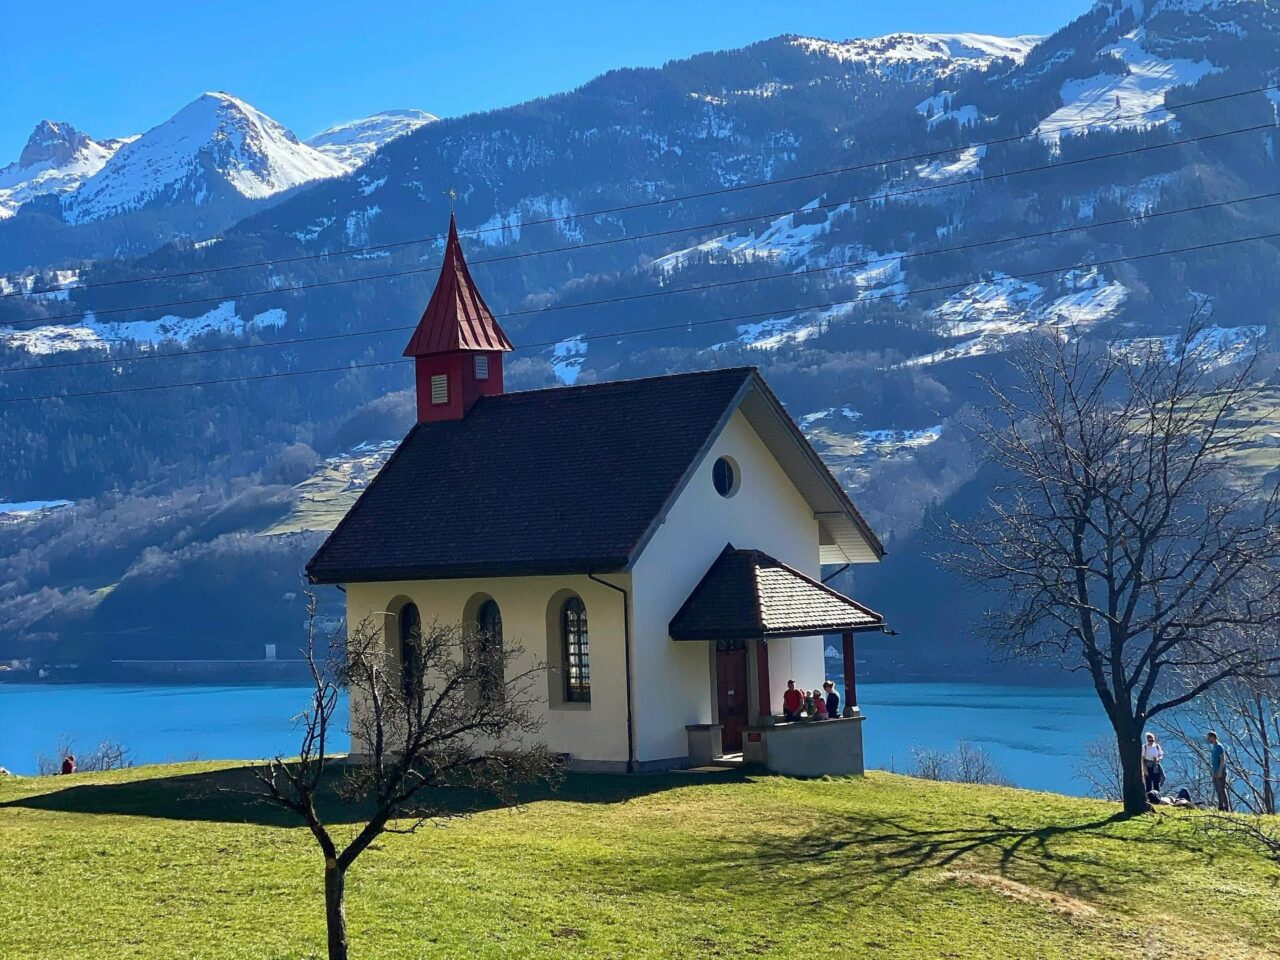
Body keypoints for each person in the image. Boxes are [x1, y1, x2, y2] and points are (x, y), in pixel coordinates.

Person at [1207, 731, 1231, 811]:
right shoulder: (1214, 747)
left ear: (1213, 737)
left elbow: (1222, 759)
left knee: (1222, 789)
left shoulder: (1219, 747)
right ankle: (1220, 806)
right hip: (1215, 771)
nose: (1208, 740)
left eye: (1209, 738)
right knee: (1218, 789)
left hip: (1221, 772)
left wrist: (1220, 771)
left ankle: (1226, 807)